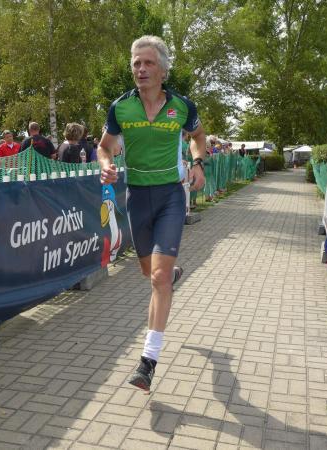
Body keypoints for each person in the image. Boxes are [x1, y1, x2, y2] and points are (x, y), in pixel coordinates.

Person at [98, 35, 207, 392]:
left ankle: (148, 361)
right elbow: (104, 147)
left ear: (162, 69)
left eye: (148, 63)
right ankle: (170, 274)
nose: (141, 69)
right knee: (151, 272)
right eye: (136, 63)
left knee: (157, 279)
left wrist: (198, 163)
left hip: (171, 196)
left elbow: (198, 136)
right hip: (137, 197)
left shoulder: (182, 106)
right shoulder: (120, 108)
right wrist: (105, 164)